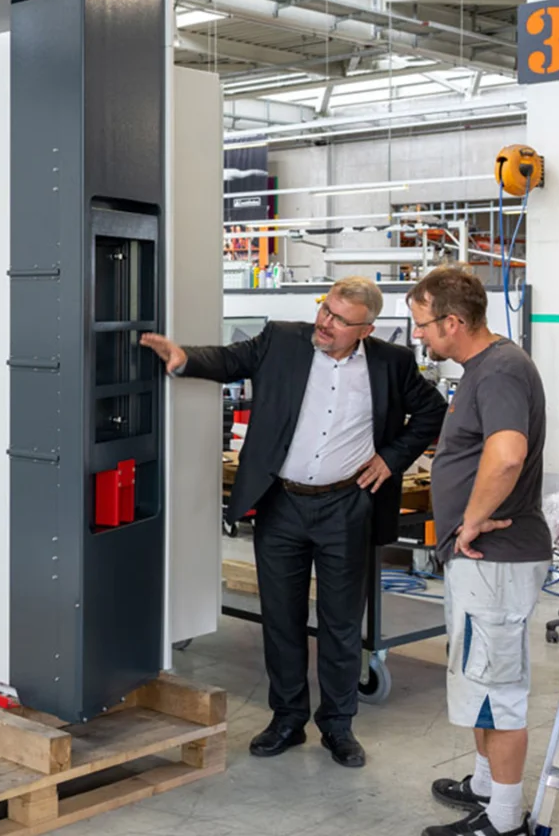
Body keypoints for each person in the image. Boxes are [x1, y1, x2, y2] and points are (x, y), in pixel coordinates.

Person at [140, 276, 447, 768]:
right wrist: (184, 357)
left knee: (342, 623)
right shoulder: (282, 339)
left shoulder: (393, 363)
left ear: (365, 329)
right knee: (281, 619)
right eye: (325, 310)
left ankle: (338, 726)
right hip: (281, 503)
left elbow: (433, 411)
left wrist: (391, 458)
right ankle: (286, 719)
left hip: (347, 507)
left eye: (338, 320)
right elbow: (229, 360)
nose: (324, 324)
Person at [408, 266, 551, 836]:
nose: (419, 335)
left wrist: (467, 523)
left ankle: (505, 820)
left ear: (453, 321)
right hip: (480, 561)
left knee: (497, 689)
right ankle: (485, 786)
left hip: (497, 557)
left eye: (423, 325)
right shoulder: (481, 367)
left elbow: (508, 453)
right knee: (477, 676)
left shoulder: (499, 371)